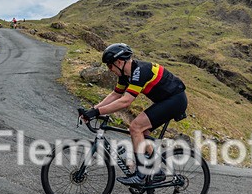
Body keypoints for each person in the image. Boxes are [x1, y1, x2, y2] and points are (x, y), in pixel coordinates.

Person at [79, 43, 187, 186]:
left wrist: (97, 112)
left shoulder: (140, 71)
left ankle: (141, 174)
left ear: (119, 62)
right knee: (142, 132)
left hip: (176, 100)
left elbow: (125, 101)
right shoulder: (125, 75)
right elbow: (116, 94)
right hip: (165, 101)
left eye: (110, 66)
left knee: (135, 127)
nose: (109, 69)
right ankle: (155, 170)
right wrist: (93, 109)